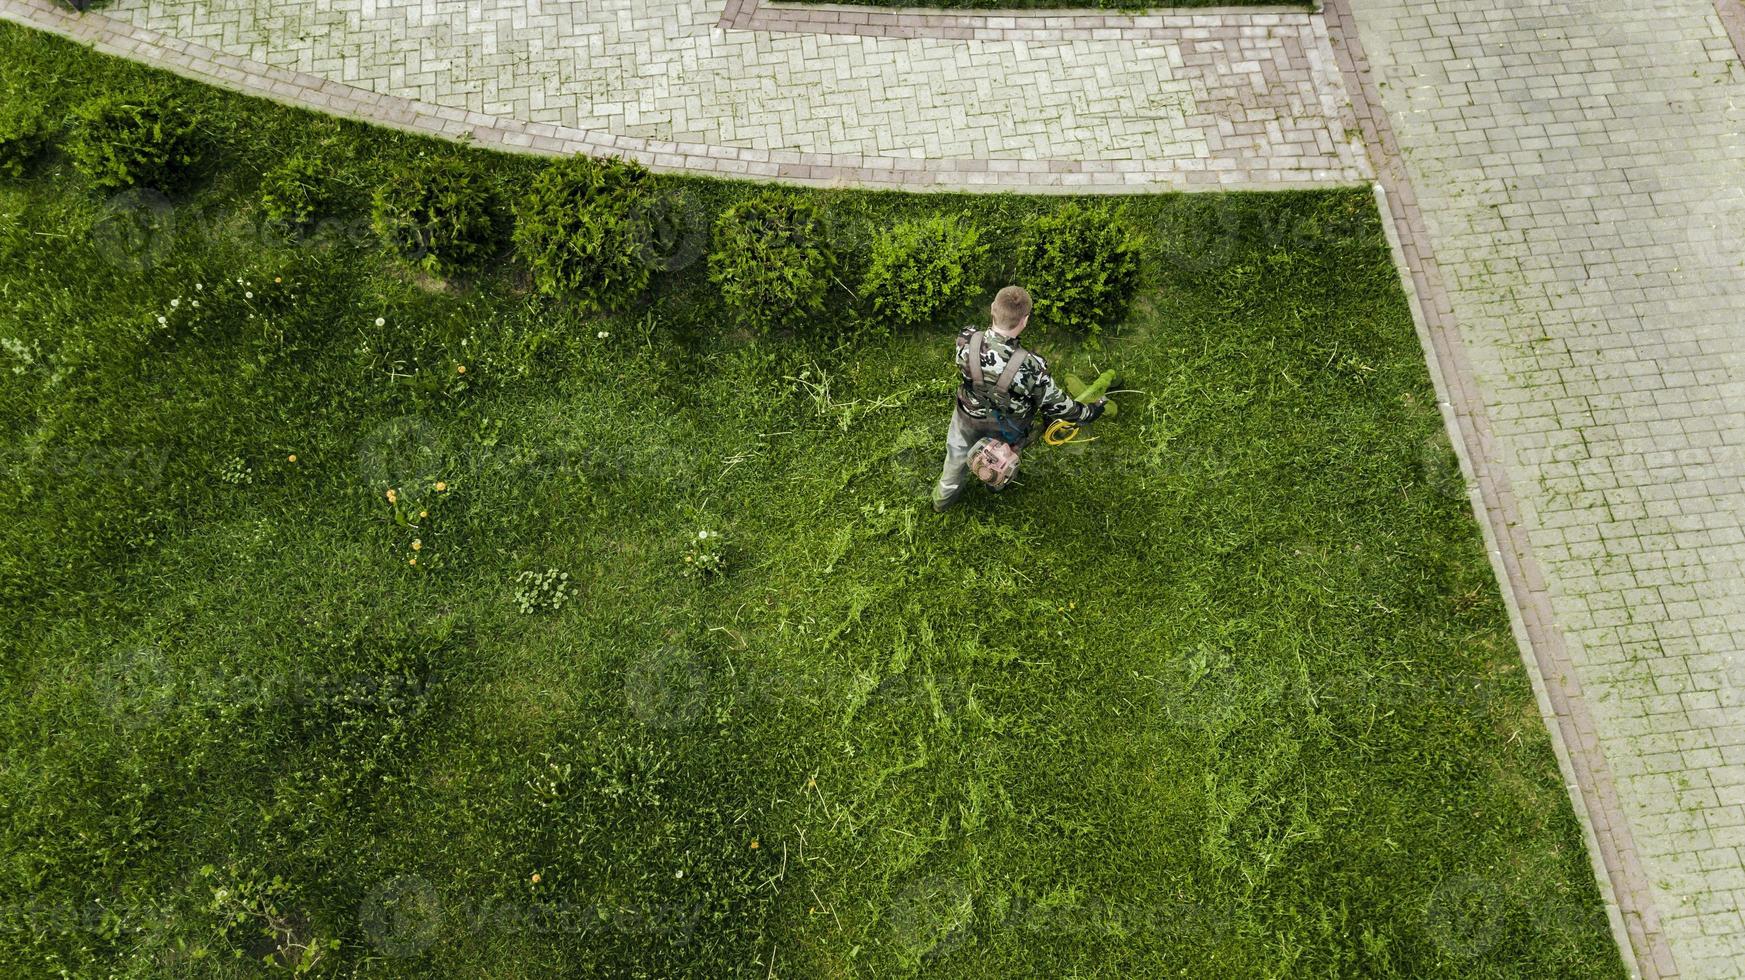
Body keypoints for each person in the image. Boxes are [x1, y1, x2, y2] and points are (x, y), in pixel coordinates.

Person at [932, 286, 1105, 512]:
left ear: (993, 309)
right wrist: (1089, 413)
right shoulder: (1031, 366)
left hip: (966, 419)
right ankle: (995, 483)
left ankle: (941, 502)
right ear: (1025, 320)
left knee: (955, 460)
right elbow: (1059, 406)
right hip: (1007, 428)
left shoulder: (966, 339)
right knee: (1001, 460)